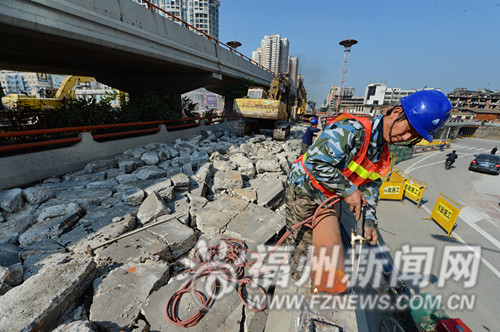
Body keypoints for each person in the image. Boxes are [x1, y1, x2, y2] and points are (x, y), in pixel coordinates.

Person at [286, 90, 452, 289]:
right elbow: (315, 163)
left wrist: (370, 221)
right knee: (302, 242)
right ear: (396, 112)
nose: (405, 137)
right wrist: (349, 190)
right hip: (304, 189)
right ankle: (295, 281)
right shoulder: (352, 130)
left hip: (326, 193)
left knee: (318, 242)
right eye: (408, 129)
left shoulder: (381, 153)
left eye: (413, 137)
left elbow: (370, 188)